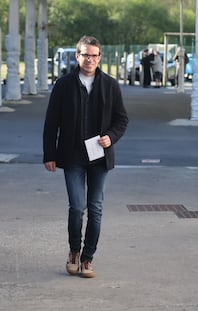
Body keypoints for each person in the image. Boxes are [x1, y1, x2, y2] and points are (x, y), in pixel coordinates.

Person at [43, 35, 128, 278]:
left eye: (94, 55)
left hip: (99, 157)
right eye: (85, 55)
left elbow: (121, 119)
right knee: (77, 207)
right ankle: (73, 252)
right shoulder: (64, 84)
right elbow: (52, 122)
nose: (89, 59)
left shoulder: (110, 85)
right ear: (77, 56)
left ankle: (88, 258)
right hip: (72, 156)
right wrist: (49, 154)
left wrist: (111, 137)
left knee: (96, 208)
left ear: (100, 57)